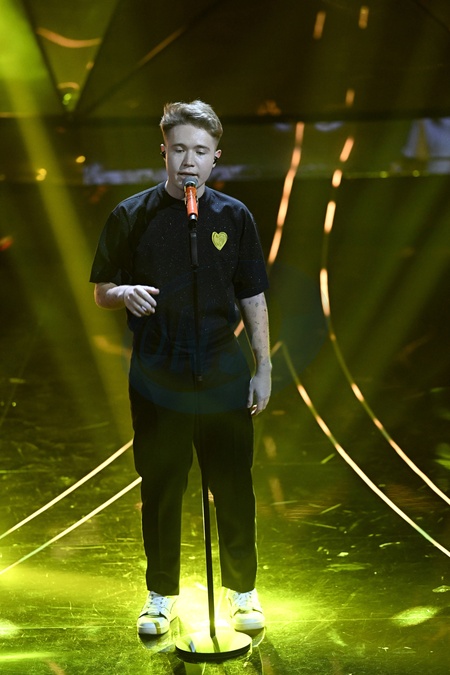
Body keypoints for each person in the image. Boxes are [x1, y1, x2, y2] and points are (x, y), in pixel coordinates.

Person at [90, 100, 271, 636]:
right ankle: (160, 596)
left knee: (233, 484)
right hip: (158, 373)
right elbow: (102, 289)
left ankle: (242, 590)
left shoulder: (234, 217)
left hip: (220, 368)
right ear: (163, 152)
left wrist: (263, 366)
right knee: (162, 485)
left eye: (200, 151)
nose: (188, 161)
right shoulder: (131, 215)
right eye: (178, 150)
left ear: (216, 157)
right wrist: (123, 292)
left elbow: (253, 294)